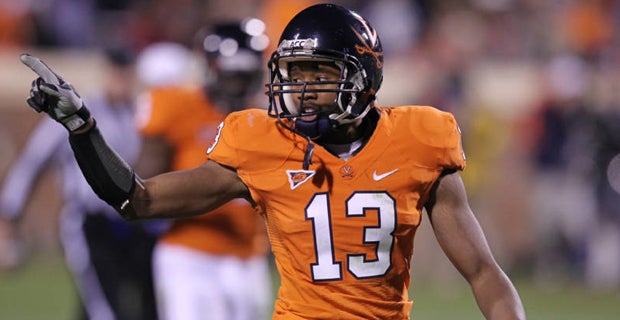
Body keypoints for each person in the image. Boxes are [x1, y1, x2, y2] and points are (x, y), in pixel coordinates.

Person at [19, 4, 526, 319]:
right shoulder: (260, 141)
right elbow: (137, 198)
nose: (300, 90)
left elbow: (483, 272)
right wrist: (83, 128)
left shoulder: (422, 137)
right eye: (293, 74)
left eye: (317, 74)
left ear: (363, 76)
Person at [3, 49, 161, 320]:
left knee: (137, 304)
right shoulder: (78, 111)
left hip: (130, 224)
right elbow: (33, 161)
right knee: (105, 306)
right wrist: (9, 215)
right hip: (88, 221)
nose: (122, 81)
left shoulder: (138, 113)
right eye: (117, 74)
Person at [134, 20, 272, 320]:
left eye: (244, 76)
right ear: (212, 68)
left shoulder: (265, 120)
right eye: (231, 75)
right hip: (188, 253)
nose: (237, 84)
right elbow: (142, 183)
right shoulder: (176, 105)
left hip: (248, 255)